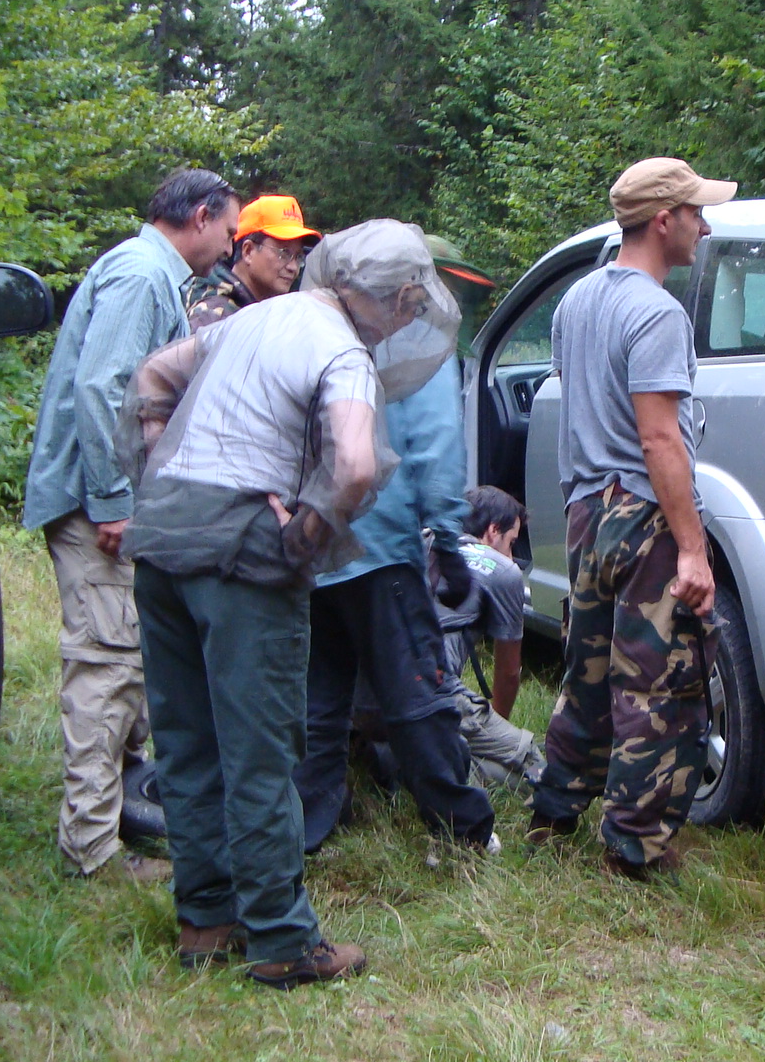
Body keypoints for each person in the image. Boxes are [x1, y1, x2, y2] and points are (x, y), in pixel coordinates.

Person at [120, 218, 452, 987]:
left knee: (187, 737)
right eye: (410, 306)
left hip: (163, 538)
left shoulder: (255, 317)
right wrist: (308, 529)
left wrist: (162, 469)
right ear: (399, 297)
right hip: (240, 554)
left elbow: (150, 381)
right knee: (261, 748)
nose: (409, 320)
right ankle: (280, 940)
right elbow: (359, 463)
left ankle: (204, 920)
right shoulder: (342, 351)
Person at [19, 168, 241, 881]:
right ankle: (90, 849)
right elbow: (103, 384)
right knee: (106, 664)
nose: (231, 249)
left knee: (127, 659)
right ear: (201, 216)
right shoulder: (144, 273)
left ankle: (114, 810)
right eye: (231, 232)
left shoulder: (150, 272)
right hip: (98, 508)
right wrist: (112, 499)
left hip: (116, 503)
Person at [526, 156, 734, 880]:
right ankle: (635, 848)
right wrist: (692, 549)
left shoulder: (575, 303)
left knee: (585, 672)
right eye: (698, 214)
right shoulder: (657, 311)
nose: (705, 227)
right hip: (641, 513)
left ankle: (553, 815)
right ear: (664, 220)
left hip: (585, 511)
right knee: (660, 684)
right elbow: (658, 439)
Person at [294, 233, 497, 856]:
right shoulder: (421, 353)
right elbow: (433, 445)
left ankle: (308, 824)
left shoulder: (317, 329)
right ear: (416, 287)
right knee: (417, 688)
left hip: (313, 539)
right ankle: (460, 828)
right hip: (380, 545)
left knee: (319, 695)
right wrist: (450, 538)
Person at [433, 485, 542, 786]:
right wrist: (497, 725)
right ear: (493, 531)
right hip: (435, 688)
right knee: (530, 759)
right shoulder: (503, 570)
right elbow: (508, 673)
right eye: (512, 542)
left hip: (379, 690)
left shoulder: (425, 542)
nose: (512, 554)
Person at [185, 194, 321, 330]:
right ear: (248, 251)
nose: (293, 267)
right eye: (284, 253)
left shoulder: (259, 313)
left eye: (298, 257)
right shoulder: (216, 318)